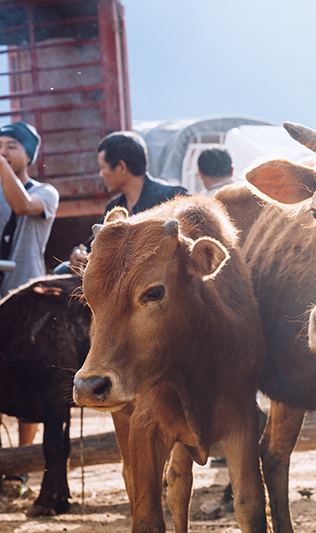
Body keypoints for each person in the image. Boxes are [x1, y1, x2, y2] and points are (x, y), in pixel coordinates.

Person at [0, 120, 59, 467]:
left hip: (27, 299)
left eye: (11, 146)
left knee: (29, 384)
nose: (3, 151)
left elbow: (22, 205)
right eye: (0, 145)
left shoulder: (45, 192)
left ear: (28, 155)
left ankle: (20, 467)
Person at [64, 131, 187, 269]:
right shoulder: (114, 206)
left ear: (121, 167)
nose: (101, 174)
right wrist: (79, 252)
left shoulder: (173, 197)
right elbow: (95, 243)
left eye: (102, 168)